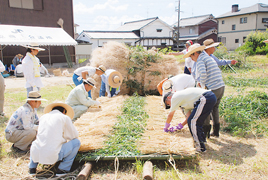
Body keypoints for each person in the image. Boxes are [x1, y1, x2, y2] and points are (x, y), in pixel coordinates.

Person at [183, 43, 225, 138]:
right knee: (215, 108)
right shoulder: (208, 57)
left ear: (195, 54)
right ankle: (216, 131)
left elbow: (203, 74)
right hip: (221, 86)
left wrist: (201, 86)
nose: (191, 59)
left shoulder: (200, 60)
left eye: (191, 56)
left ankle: (205, 134)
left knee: (205, 110)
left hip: (213, 88)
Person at [29, 102, 80, 176]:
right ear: (63, 112)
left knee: (36, 143)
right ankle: (63, 169)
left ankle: (32, 167)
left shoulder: (43, 117)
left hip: (37, 153)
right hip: (53, 153)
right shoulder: (64, 117)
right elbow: (73, 135)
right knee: (76, 142)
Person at [163, 87, 216, 152]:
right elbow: (188, 117)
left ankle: (200, 147)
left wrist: (166, 127)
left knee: (193, 121)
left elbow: (170, 115)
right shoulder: (184, 103)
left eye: (168, 104)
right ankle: (202, 141)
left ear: (168, 98)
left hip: (206, 97)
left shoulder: (174, 97)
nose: (170, 106)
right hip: (209, 97)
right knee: (194, 121)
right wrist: (179, 126)